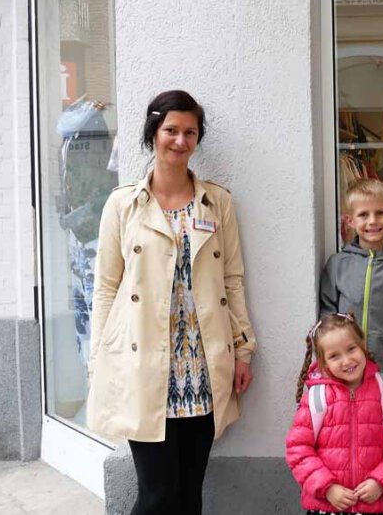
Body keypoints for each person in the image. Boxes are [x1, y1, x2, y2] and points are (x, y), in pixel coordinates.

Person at [88, 90, 257, 514]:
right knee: (156, 495)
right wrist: (101, 359)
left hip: (200, 366)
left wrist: (244, 350)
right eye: (171, 130)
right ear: (153, 133)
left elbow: (232, 279)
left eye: (190, 132)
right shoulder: (123, 205)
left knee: (188, 493)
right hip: (144, 364)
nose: (180, 141)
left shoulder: (217, 202)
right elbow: (106, 287)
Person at [287, 313, 383, 514]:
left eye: (351, 349)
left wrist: (381, 481)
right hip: (327, 506)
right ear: (323, 363)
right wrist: (327, 488)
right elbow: (298, 450)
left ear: (363, 346)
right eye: (334, 356)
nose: (346, 360)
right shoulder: (317, 398)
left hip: (374, 506)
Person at [319, 178, 383, 377]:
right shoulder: (338, 264)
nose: (373, 221)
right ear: (350, 221)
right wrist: (329, 354)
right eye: (363, 215)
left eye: (380, 213)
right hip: (343, 366)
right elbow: (327, 315)